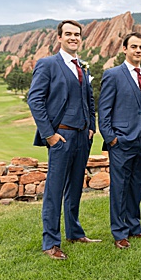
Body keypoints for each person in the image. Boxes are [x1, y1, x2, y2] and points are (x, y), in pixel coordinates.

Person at [27, 20, 100, 259]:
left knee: (76, 187)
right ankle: (51, 242)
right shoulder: (47, 64)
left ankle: (74, 232)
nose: (73, 38)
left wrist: (91, 127)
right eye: (68, 34)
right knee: (55, 190)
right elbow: (35, 100)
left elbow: (89, 100)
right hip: (61, 137)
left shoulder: (83, 67)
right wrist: (50, 135)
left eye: (77, 35)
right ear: (59, 37)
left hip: (82, 137)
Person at [98, 32, 141, 249]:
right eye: (134, 47)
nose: (138, 50)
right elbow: (103, 111)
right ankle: (119, 233)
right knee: (120, 188)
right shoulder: (113, 75)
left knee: (136, 186)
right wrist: (111, 139)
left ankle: (134, 227)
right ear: (125, 49)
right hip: (121, 142)